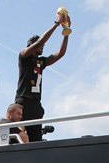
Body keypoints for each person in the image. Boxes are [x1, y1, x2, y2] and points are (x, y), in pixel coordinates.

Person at [15, 13, 70, 142]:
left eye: (43, 47)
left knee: (36, 141)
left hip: (35, 104)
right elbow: (41, 41)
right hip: (23, 102)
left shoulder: (41, 62)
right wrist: (56, 23)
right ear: (31, 46)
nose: (43, 47)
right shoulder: (24, 56)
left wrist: (66, 32)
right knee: (20, 137)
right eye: (40, 46)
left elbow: (60, 54)